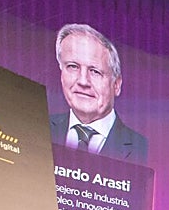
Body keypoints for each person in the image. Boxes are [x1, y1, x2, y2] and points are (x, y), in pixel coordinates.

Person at [49, 23, 148, 163]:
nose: (83, 81)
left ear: (116, 84)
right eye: (73, 66)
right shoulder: (37, 130)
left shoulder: (143, 148)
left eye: (95, 71)